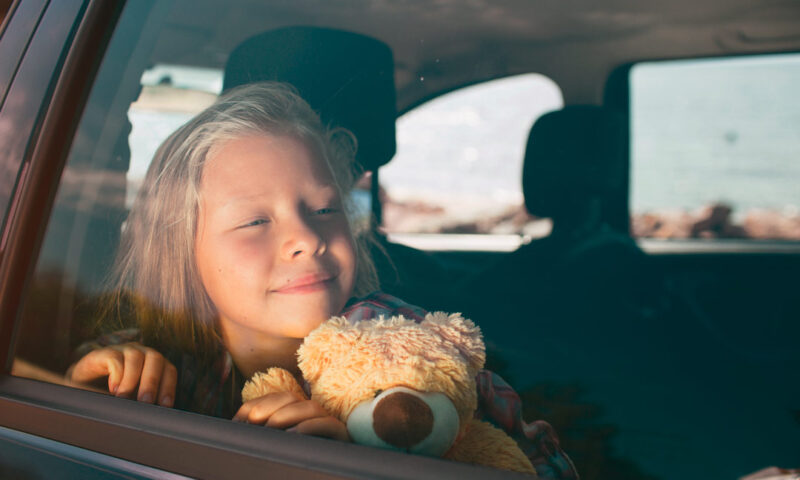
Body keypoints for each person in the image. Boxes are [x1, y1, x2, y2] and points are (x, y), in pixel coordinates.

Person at [67, 82, 578, 478]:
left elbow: (541, 462)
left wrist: (363, 458)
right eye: (255, 221)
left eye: (324, 208)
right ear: (180, 250)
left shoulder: (409, 347)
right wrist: (95, 383)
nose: (306, 238)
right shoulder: (166, 354)